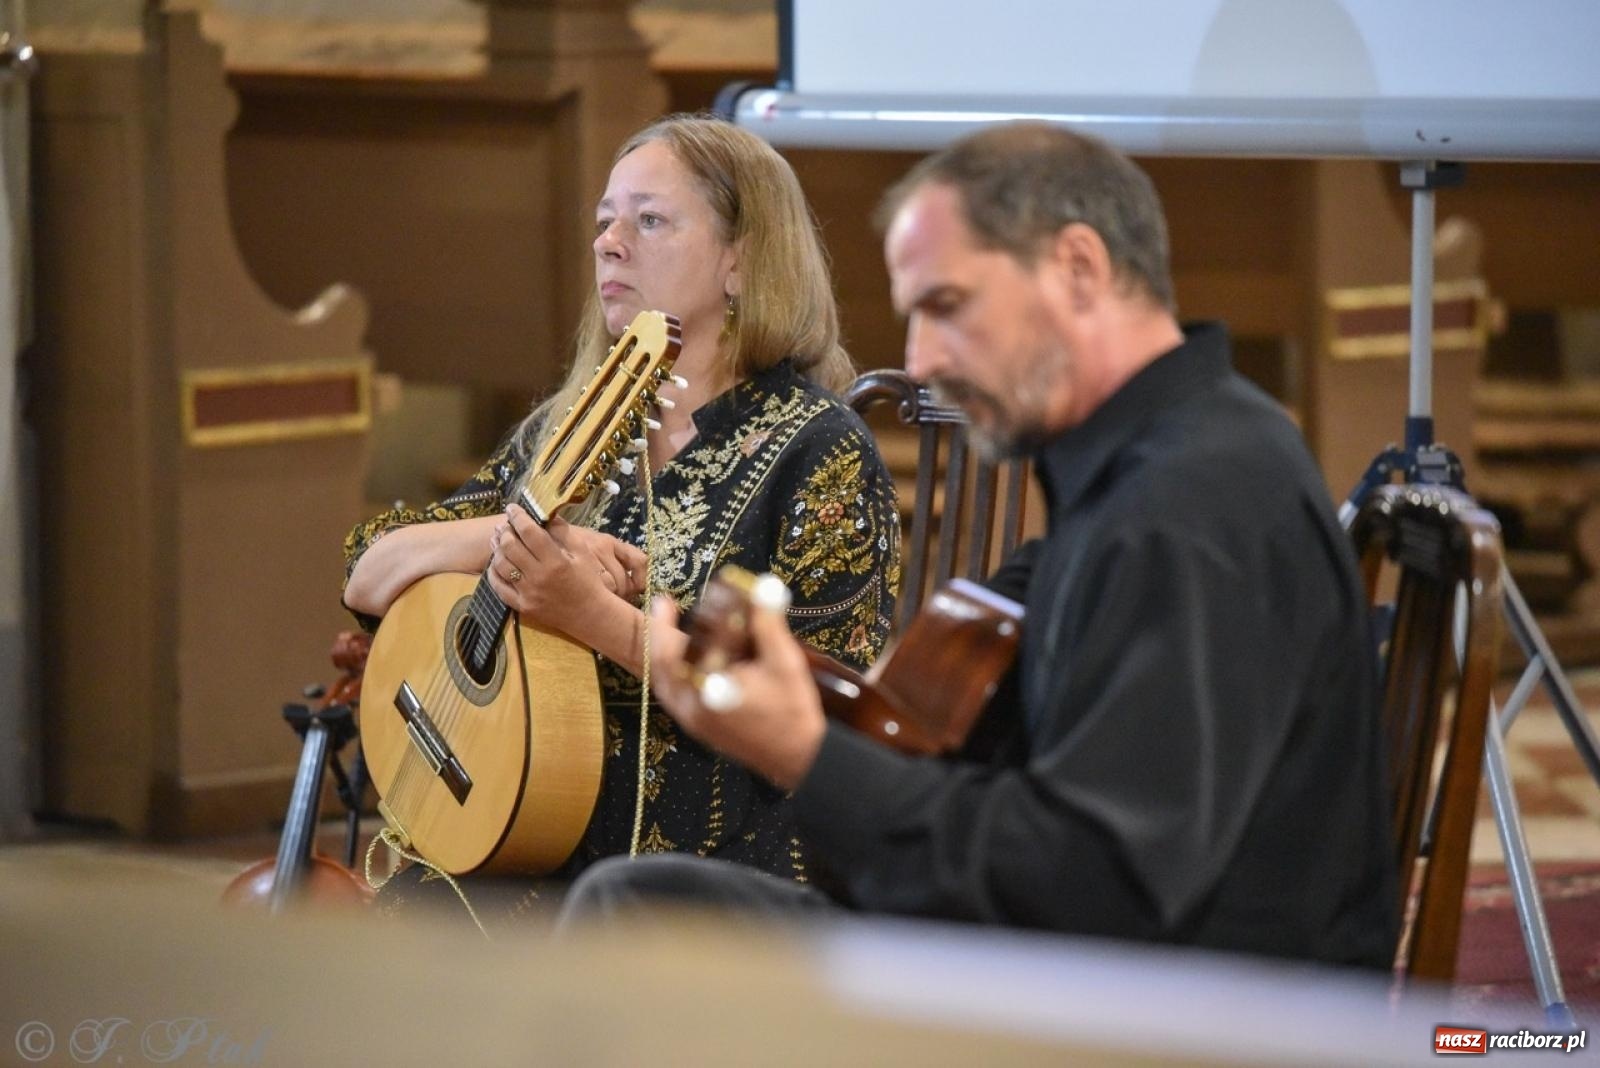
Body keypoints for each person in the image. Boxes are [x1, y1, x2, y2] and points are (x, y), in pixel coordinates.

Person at [563, 122, 1400, 970]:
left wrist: (806, 756)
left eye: (948, 307)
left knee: (634, 919)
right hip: (1069, 950)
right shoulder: (1155, 458)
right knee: (639, 901)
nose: (920, 362)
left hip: (1183, 1010)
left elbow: (1102, 885)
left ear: (1079, 269)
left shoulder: (1185, 510)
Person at [342, 114, 901, 925]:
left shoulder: (821, 451)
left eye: (649, 220)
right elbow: (369, 571)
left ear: (741, 258)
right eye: (605, 220)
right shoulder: (566, 427)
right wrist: (515, 541)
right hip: (517, 836)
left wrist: (593, 615)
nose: (609, 242)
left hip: (700, 870)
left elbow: (818, 716)